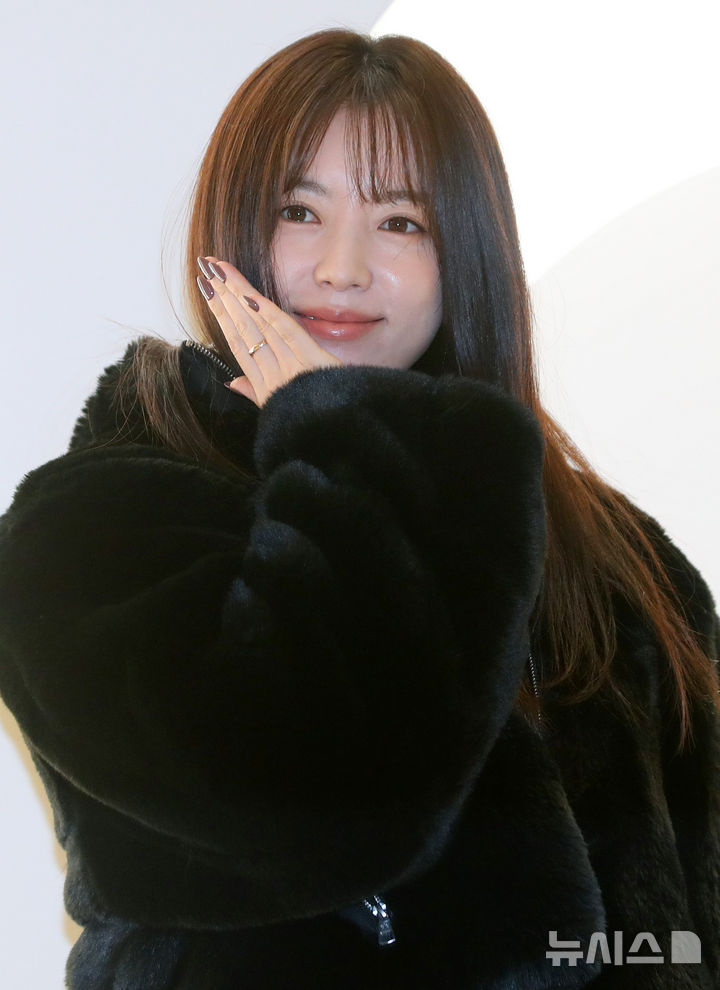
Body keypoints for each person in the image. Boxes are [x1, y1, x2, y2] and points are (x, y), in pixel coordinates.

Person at [0, 27, 718, 990]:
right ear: (233, 230)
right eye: (300, 211)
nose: (342, 268)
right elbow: (326, 811)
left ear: (466, 254)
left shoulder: (616, 554)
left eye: (401, 221)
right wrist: (346, 443)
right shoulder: (93, 526)